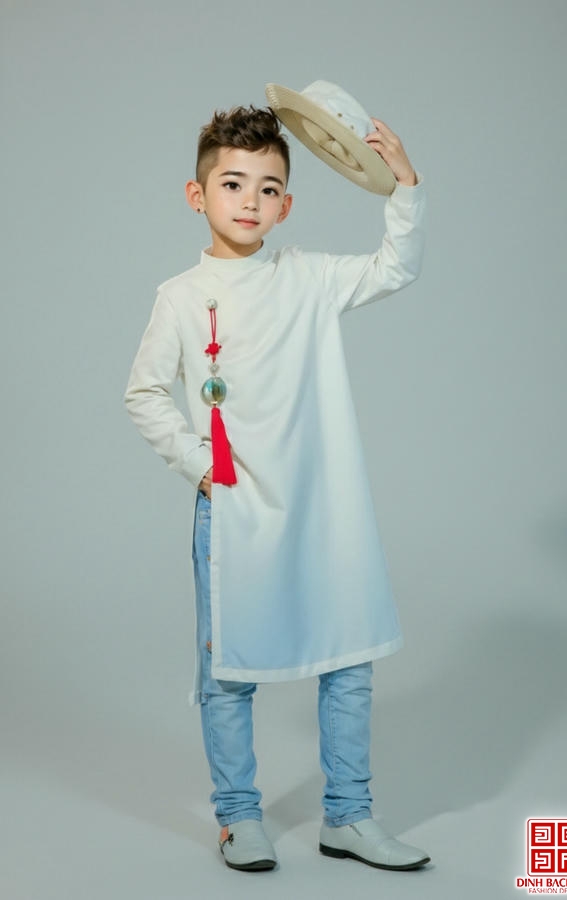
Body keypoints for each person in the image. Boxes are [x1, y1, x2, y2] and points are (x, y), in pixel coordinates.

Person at [125, 90, 430, 873]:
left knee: (349, 657)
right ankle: (238, 816)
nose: (249, 200)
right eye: (232, 183)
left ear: (286, 205)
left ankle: (349, 815)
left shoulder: (310, 279)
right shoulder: (181, 298)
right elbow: (144, 394)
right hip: (238, 513)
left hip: (327, 506)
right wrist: (203, 466)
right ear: (197, 195)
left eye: (268, 188)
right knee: (229, 671)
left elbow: (396, 265)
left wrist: (404, 186)